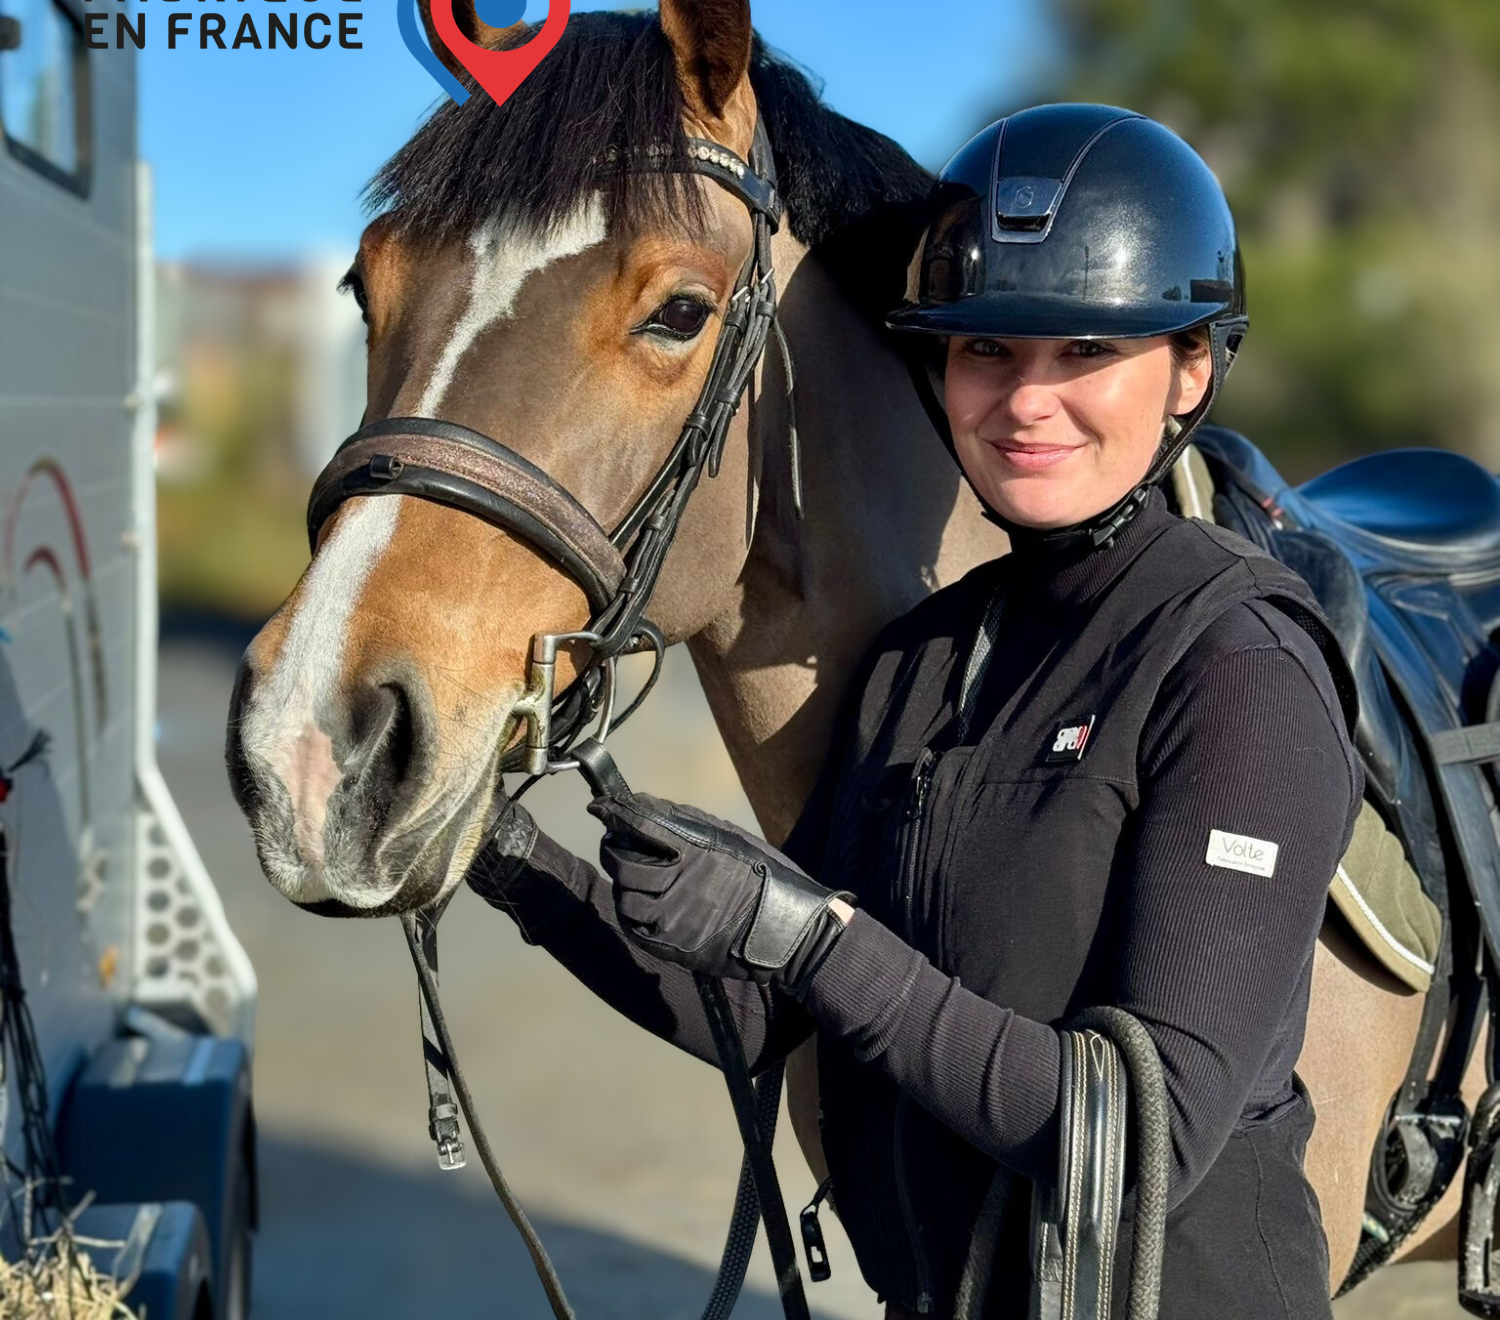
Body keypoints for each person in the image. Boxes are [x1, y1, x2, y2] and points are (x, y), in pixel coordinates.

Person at [468, 104, 1362, 1320]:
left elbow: (1130, 1140)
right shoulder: (920, 657)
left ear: (1191, 368)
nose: (1025, 401)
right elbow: (765, 1012)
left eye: (1086, 350)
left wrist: (809, 933)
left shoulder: (1237, 661)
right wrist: (514, 864)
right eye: (987, 350)